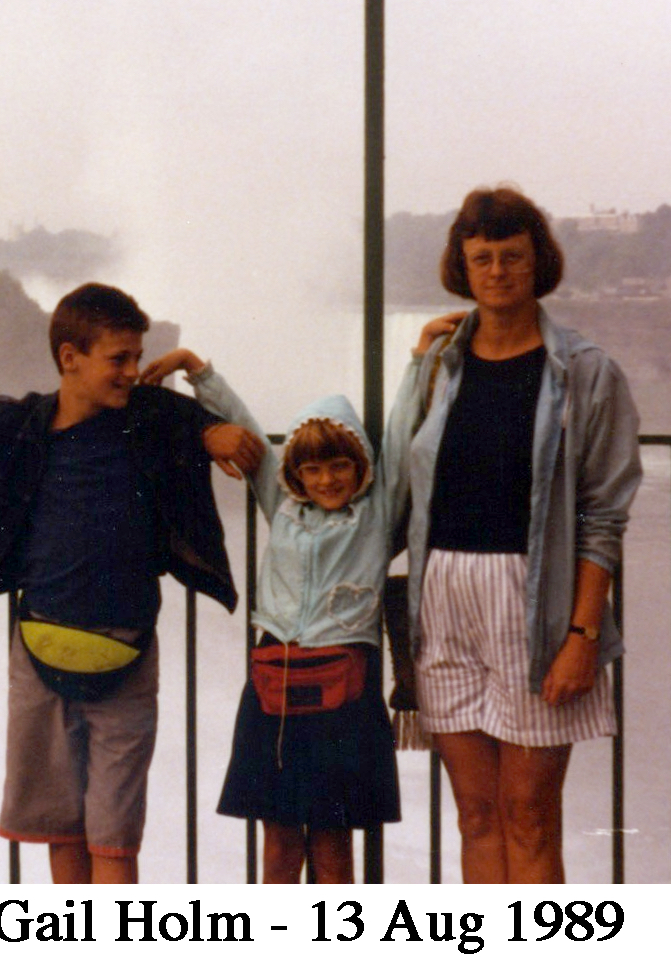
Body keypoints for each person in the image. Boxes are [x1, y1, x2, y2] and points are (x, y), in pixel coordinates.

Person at [0, 282, 262, 883]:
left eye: (137, 358)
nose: (132, 373)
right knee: (58, 827)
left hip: (127, 650)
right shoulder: (21, 424)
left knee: (114, 837)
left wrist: (212, 432)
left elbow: (195, 419)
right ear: (70, 358)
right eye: (117, 359)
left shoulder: (148, 419)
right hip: (39, 647)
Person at [402, 186, 643, 883]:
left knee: (529, 815)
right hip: (443, 598)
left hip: (532, 602)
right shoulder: (441, 364)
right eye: (483, 259)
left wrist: (582, 637)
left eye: (513, 256)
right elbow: (400, 474)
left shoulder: (584, 370)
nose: (499, 271)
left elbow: (604, 515)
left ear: (538, 263)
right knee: (475, 817)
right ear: (463, 267)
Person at [141, 338, 448, 883]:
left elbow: (400, 437)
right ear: (296, 474)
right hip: (273, 676)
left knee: (331, 843)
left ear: (360, 466)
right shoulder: (282, 503)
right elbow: (250, 435)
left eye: (338, 466)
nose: (326, 479)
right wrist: (197, 369)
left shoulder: (376, 514)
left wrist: (420, 357)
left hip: (344, 681)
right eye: (312, 469)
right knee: (279, 842)